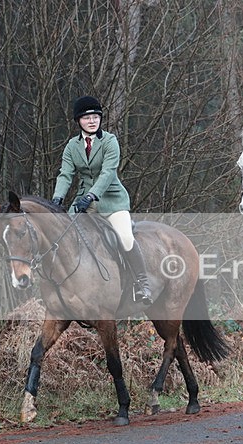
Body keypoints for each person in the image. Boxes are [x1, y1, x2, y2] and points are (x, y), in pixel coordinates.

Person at [51, 95, 153, 305]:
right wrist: (57, 198)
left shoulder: (109, 141)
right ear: (78, 121)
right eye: (87, 117)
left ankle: (142, 284)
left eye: (95, 117)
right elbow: (65, 174)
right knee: (63, 236)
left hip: (112, 200)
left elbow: (108, 173)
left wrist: (91, 195)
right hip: (83, 202)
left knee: (125, 237)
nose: (92, 121)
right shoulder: (71, 147)